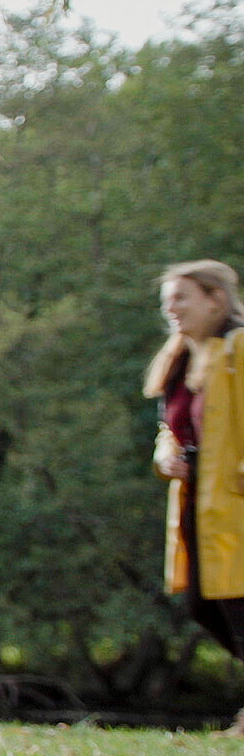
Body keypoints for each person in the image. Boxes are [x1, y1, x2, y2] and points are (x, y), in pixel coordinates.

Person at [144, 260, 244, 673]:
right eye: (168, 301)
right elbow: (171, 428)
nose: (172, 309)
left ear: (215, 298)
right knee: (203, 603)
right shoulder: (180, 361)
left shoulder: (239, 347)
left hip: (236, 500)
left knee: (237, 601)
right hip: (198, 503)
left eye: (182, 298)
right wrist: (163, 459)